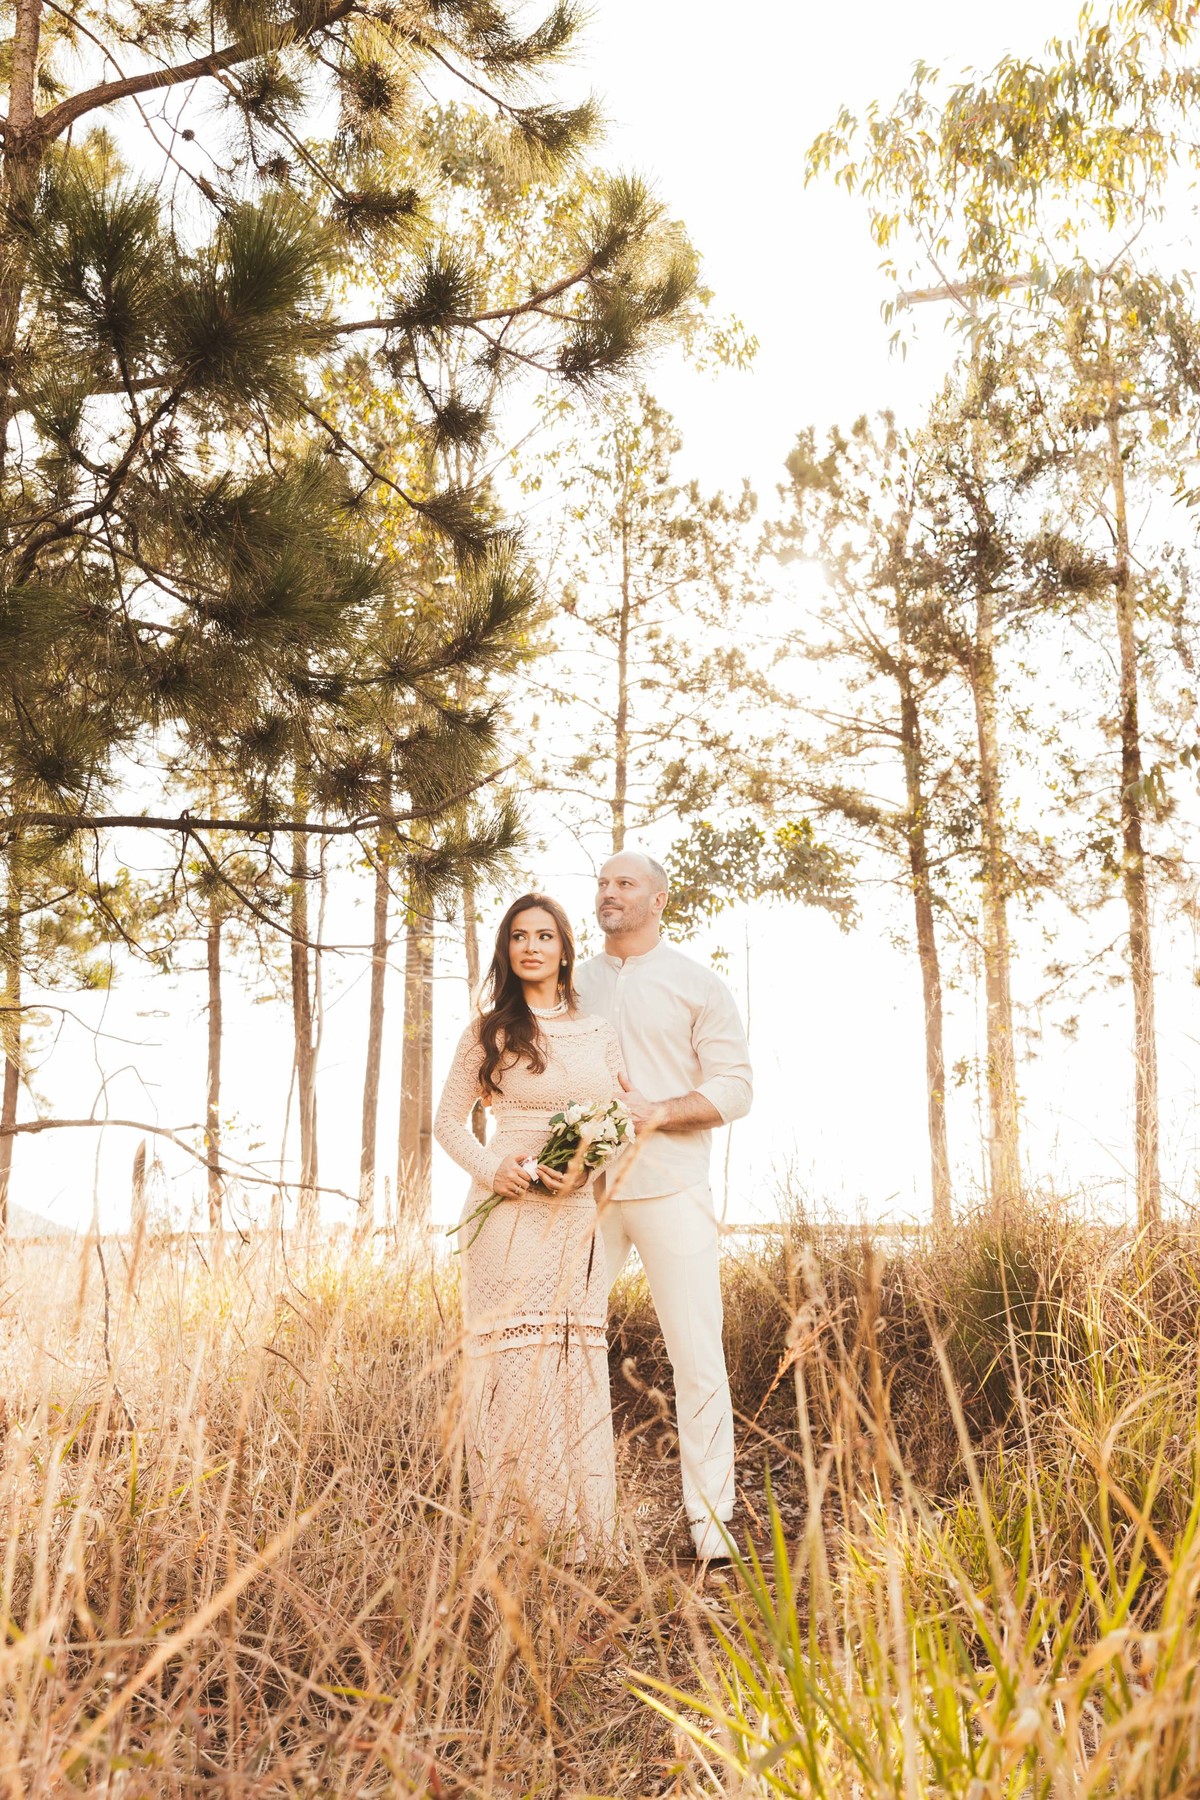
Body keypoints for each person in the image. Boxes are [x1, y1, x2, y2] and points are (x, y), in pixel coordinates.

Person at [433, 892, 626, 1563]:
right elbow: (447, 1122)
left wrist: (585, 1166)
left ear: (565, 950)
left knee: (573, 1364)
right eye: (519, 936)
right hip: (506, 1218)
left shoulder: (599, 1032)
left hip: (574, 1217)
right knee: (517, 1369)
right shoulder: (488, 1032)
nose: (532, 947)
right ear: (506, 949)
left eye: (545, 936)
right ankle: (517, 1535)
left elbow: (620, 1121)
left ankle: (582, 1537)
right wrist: (493, 1169)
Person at [575, 851, 752, 1563]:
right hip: (580, 1195)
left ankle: (711, 1526)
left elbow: (736, 1087)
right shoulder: (571, 981)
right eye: (602, 883)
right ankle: (582, 1523)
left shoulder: (695, 983)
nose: (608, 893)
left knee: (697, 1355)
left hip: (672, 1187)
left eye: (625, 883)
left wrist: (660, 1112)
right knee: (566, 1349)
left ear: (659, 900)